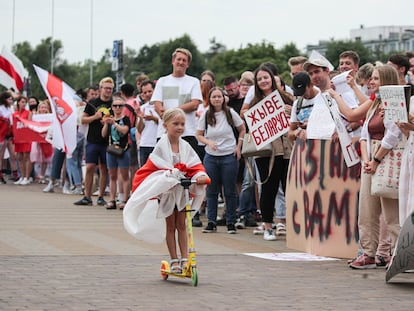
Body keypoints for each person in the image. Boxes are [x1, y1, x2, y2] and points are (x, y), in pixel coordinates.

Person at [330, 64, 401, 269]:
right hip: (370, 156)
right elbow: (364, 133)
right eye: (372, 79)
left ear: (387, 80)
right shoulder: (375, 102)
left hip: (387, 157)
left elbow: (393, 134)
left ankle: (397, 252)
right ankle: (368, 252)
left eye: (377, 79)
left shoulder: (395, 102)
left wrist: (376, 159)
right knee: (366, 209)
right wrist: (367, 159)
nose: (372, 82)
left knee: (391, 212)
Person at [123, 108, 209, 273]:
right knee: (170, 225)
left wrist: (200, 175)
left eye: (182, 124)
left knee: (182, 224)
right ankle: (174, 259)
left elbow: (194, 164)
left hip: (182, 190)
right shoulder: (161, 145)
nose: (179, 127)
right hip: (168, 192)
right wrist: (169, 174)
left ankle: (185, 258)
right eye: (175, 124)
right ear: (165, 125)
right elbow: (155, 166)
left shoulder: (185, 146)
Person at [243, 65, 290, 241]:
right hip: (265, 152)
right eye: (260, 78)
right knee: (268, 189)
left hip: (286, 151)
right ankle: (268, 226)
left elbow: (298, 116)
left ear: (272, 78)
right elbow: (247, 121)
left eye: (266, 77)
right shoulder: (254, 103)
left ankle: (289, 224)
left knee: (288, 188)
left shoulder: (286, 97)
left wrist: (290, 111)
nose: (263, 81)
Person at [196, 87, 246, 234]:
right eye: (214, 97)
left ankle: (231, 221)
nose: (217, 99)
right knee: (211, 190)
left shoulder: (230, 113)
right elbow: (198, 134)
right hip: (211, 156)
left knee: (229, 190)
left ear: (223, 98)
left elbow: (242, 129)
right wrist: (208, 142)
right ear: (210, 99)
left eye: (219, 96)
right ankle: (211, 221)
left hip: (228, 155)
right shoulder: (206, 114)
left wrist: (238, 147)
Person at [152, 47, 203, 160]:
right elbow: (157, 105)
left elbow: (194, 104)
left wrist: (172, 113)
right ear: (173, 61)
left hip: (187, 133)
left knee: (188, 170)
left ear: (188, 64)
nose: (181, 62)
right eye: (178, 59)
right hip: (164, 134)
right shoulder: (162, 81)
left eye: (184, 60)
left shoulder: (193, 81)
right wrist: (166, 116)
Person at [74, 77, 113, 206]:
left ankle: (101, 196)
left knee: (104, 168)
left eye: (110, 88)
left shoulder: (115, 104)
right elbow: (83, 120)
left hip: (108, 141)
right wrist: (95, 117)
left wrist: (109, 121)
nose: (108, 90)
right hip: (92, 140)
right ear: (101, 88)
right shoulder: (93, 103)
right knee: (90, 166)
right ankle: (87, 196)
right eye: (106, 88)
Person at [101, 97, 131, 210]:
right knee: (112, 175)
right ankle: (112, 199)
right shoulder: (109, 119)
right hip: (111, 149)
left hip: (123, 149)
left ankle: (124, 199)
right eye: (115, 106)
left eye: (120, 106)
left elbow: (125, 130)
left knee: (124, 175)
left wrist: (114, 123)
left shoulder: (125, 119)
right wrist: (106, 123)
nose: (117, 108)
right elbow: (104, 135)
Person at [396, 96, 414, 225]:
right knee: (408, 200)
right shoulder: (412, 100)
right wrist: (399, 123)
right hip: (410, 152)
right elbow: (408, 133)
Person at [137, 80, 158, 167]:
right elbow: (139, 129)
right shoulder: (142, 108)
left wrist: (153, 118)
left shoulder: (160, 106)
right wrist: (141, 119)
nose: (148, 94)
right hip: (145, 143)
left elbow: (164, 123)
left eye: (150, 91)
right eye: (145, 92)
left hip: (156, 143)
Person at [13, 95, 32, 185]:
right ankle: (22, 176)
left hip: (26, 137)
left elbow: (30, 124)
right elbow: (13, 125)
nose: (24, 104)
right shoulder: (15, 113)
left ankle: (27, 177)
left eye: (25, 102)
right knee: (19, 157)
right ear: (18, 103)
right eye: (22, 102)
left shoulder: (28, 113)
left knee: (26, 157)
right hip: (18, 137)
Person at [0, 91, 19, 184]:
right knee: (1, 155)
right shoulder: (1, 109)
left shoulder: (11, 109)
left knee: (13, 155)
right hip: (2, 134)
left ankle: (15, 174)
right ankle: (0, 175)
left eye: (11, 99)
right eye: (9, 99)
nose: (11, 100)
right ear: (4, 99)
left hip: (10, 134)